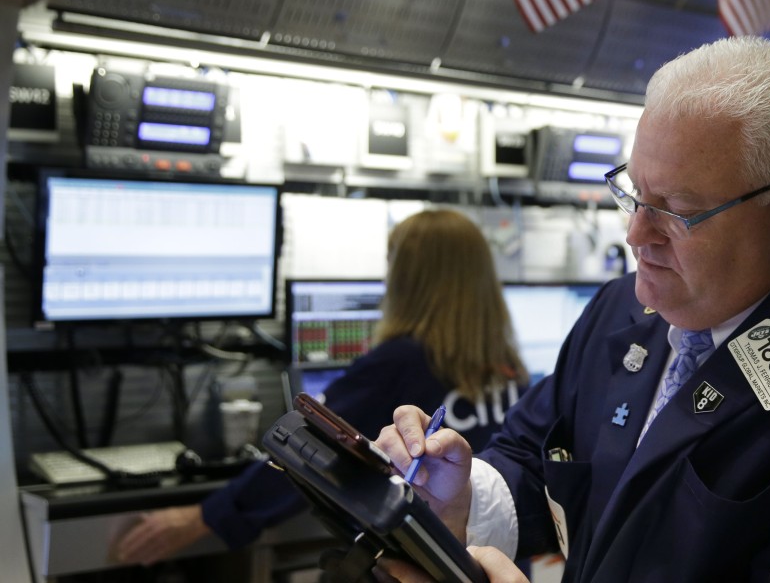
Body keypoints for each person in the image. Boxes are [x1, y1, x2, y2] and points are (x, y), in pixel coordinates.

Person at [378, 35, 770, 582]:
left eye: (679, 210)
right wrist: (460, 492)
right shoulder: (620, 309)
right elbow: (530, 456)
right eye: (635, 194)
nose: (636, 234)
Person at [115, 208, 530, 567]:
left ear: (407, 279)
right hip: (498, 565)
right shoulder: (509, 368)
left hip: (431, 565)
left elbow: (308, 450)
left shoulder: (400, 360)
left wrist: (209, 516)